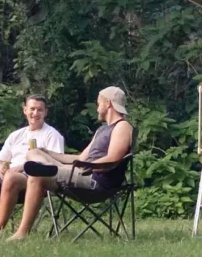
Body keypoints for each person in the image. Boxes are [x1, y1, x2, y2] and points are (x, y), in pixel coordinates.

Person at [7, 86, 134, 241]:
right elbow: (80, 158)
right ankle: (47, 165)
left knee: (37, 175)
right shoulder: (102, 130)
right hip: (81, 171)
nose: (97, 108)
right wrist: (48, 153)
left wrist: (86, 167)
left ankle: (21, 234)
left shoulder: (122, 126)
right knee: (33, 152)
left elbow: (113, 158)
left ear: (108, 103)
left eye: (98, 103)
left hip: (95, 179)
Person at [0, 95, 65, 238]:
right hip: (6, 180)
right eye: (32, 109)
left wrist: (22, 167)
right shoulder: (16, 135)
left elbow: (53, 165)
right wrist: (0, 169)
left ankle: (0, 225)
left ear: (45, 112)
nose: (35, 113)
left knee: (12, 177)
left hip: (33, 181)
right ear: (25, 110)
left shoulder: (52, 135)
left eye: (39, 110)